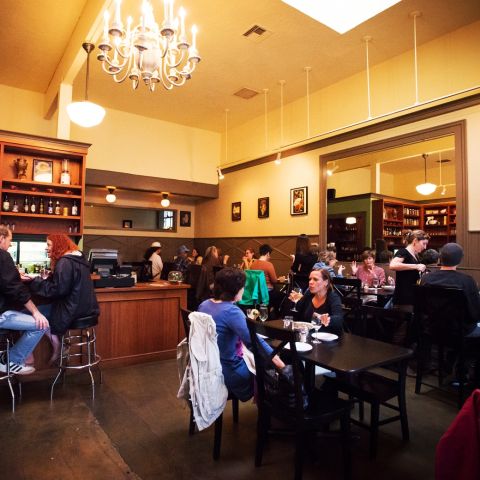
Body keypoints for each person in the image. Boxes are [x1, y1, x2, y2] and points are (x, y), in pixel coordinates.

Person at [198, 267, 284, 401]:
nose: (244, 290)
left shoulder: (204, 305)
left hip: (206, 368)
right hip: (229, 372)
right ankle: (270, 415)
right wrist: (280, 363)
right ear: (235, 289)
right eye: (243, 286)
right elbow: (254, 342)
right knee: (270, 374)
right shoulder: (231, 311)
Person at [29, 234, 99, 342]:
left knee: (31, 314)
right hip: (86, 309)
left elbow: (57, 290)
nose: (46, 248)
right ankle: (58, 344)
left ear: (58, 245)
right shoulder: (78, 259)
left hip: (71, 311)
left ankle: (56, 345)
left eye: (48, 245)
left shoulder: (64, 262)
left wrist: (34, 281)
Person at [0, 226, 49, 375]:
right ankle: (9, 360)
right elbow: (15, 289)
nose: (10, 244)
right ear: (1, 239)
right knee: (41, 324)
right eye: (10, 240)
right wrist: (35, 312)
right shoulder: (2, 255)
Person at [420, 243, 480, 336]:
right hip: (460, 331)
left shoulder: (426, 278)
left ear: (440, 258)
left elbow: (422, 308)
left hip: (431, 328)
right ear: (460, 259)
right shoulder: (467, 281)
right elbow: (475, 313)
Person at [289, 267, 344, 336]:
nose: (310, 282)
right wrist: (293, 302)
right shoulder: (308, 295)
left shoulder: (333, 297)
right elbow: (294, 315)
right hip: (306, 336)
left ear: (326, 282)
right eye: (310, 279)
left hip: (326, 339)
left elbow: (339, 319)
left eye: (315, 279)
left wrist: (328, 319)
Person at [389, 230, 429, 310]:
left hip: (412, 297)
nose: (425, 247)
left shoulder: (415, 255)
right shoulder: (403, 252)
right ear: (415, 241)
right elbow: (392, 265)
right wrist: (416, 266)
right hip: (404, 298)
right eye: (423, 244)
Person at [251, 244, 282, 316]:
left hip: (256, 292)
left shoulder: (253, 264)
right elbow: (274, 280)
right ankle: (275, 315)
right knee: (282, 296)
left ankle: (269, 310)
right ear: (268, 253)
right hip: (267, 292)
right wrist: (279, 279)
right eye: (270, 254)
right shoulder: (268, 264)